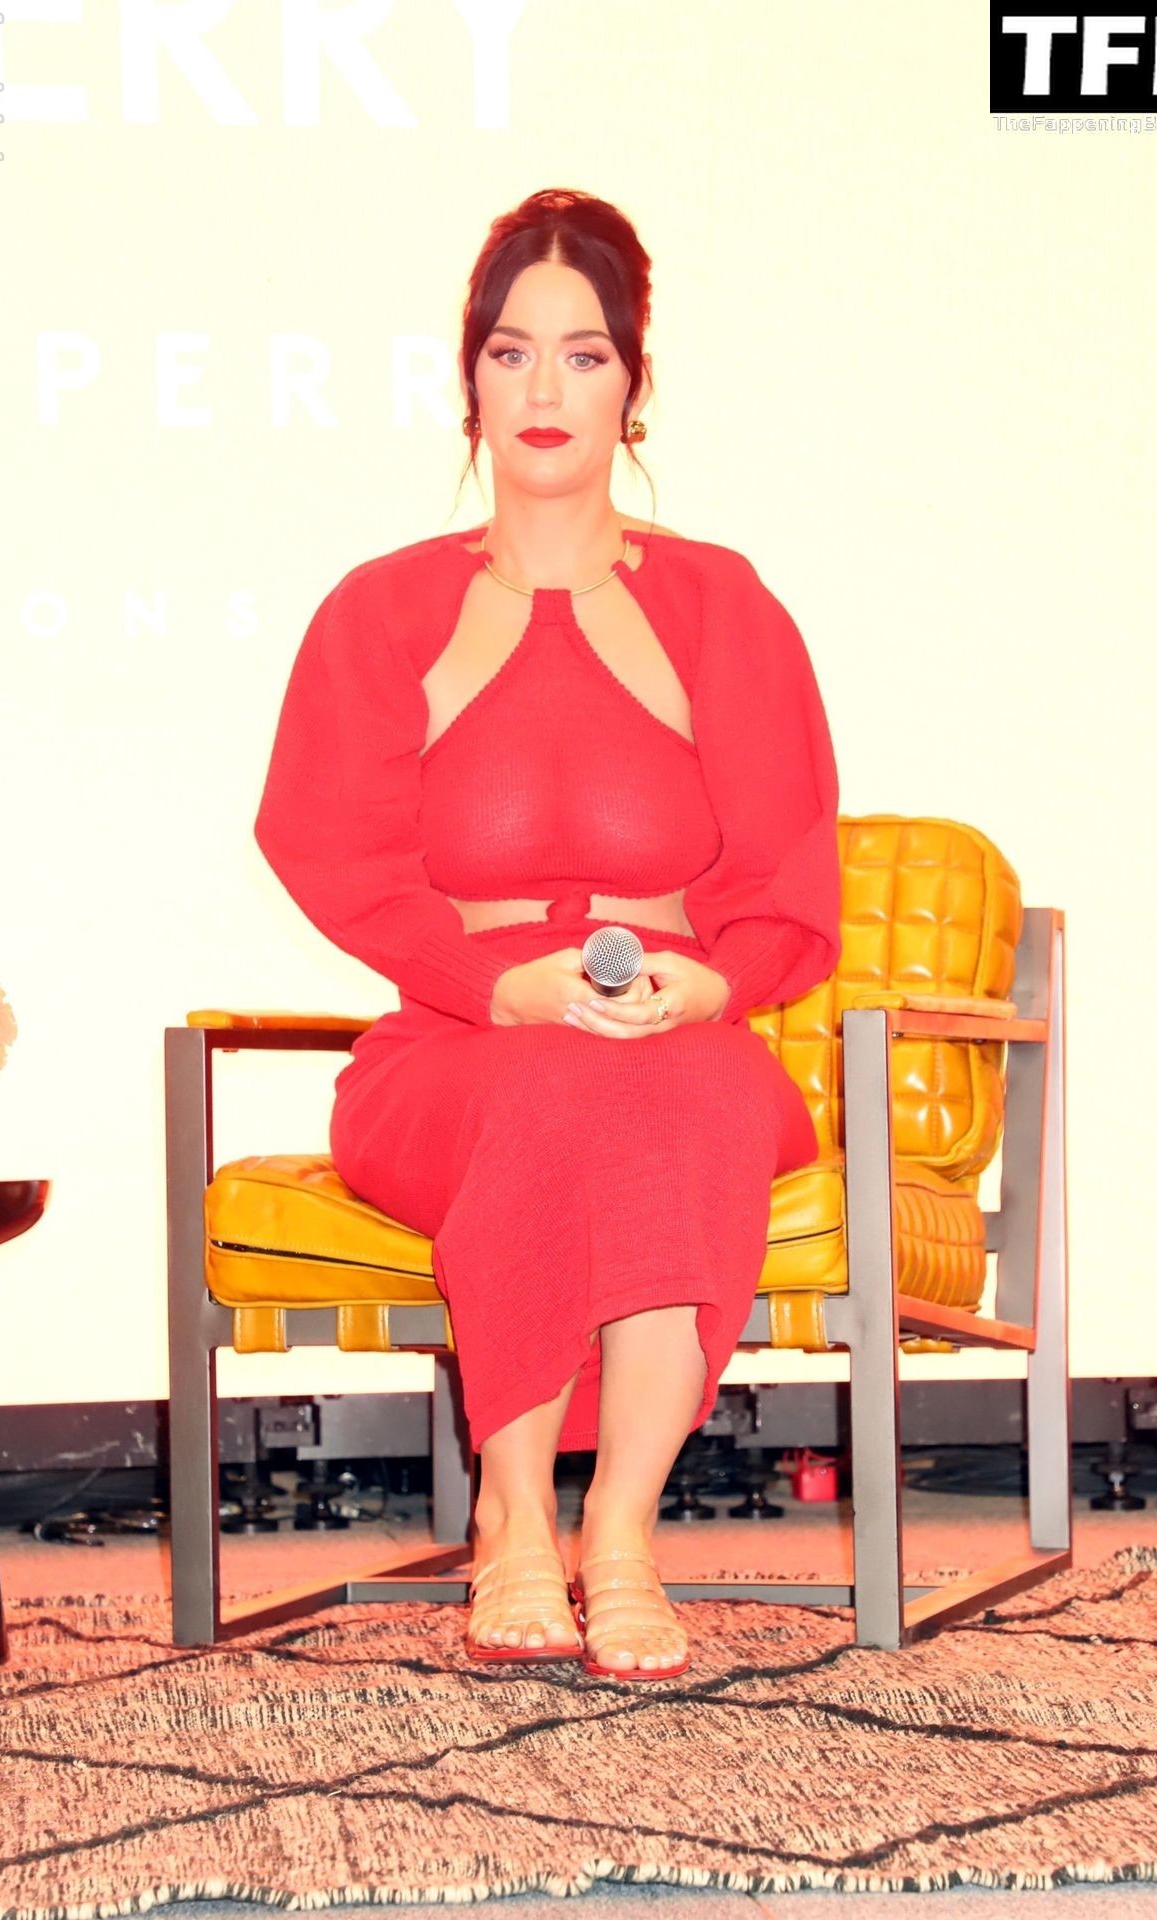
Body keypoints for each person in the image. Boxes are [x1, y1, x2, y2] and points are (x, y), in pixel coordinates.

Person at [253, 188, 842, 1682]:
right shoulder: (384, 610)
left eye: (584, 356)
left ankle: (621, 1532)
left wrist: (709, 982)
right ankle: (515, 1514)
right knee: (545, 1087)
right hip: (456, 1047)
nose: (544, 389)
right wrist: (492, 983)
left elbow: (787, 877)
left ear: (633, 384)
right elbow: (332, 851)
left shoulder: (722, 605)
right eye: (512, 352)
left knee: (696, 1089)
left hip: (679, 1034)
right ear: (470, 376)